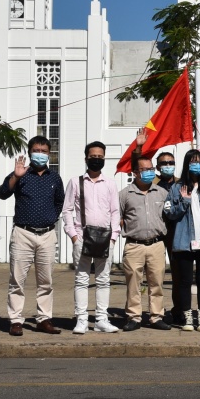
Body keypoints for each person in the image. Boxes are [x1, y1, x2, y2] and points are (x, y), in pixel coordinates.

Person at [0, 135, 66, 336]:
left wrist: (52, 217)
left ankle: (44, 319)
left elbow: (59, 201)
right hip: (23, 233)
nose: (40, 154)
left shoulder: (55, 177)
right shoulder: (20, 174)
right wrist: (16, 177)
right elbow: (2, 193)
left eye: (44, 151)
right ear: (29, 153)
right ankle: (16, 320)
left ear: (50, 154)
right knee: (17, 280)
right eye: (37, 150)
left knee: (46, 281)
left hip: (46, 234)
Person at [63, 141, 121, 335]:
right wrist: (73, 235)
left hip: (105, 237)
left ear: (104, 158)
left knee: (103, 280)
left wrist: (113, 237)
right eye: (93, 157)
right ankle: (81, 319)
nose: (96, 160)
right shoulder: (75, 182)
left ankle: (101, 320)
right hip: (82, 237)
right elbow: (67, 210)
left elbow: (115, 212)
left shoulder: (110, 184)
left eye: (100, 157)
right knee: (81, 280)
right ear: (86, 158)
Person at [166, 149, 200, 332]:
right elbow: (169, 213)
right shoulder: (175, 188)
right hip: (183, 243)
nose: (198, 165)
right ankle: (188, 318)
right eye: (194, 161)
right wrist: (185, 201)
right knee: (185, 282)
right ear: (187, 164)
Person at [118, 156, 171, 332]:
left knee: (156, 282)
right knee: (133, 283)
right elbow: (118, 218)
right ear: (135, 172)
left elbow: (169, 215)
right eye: (144, 169)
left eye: (151, 169)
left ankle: (156, 316)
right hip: (134, 245)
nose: (149, 172)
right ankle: (134, 317)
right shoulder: (125, 194)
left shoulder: (162, 193)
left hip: (156, 244)